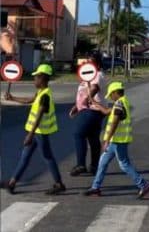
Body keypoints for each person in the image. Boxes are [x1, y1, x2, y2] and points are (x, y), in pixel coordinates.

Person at [2, 64, 66, 195]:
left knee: (47, 157)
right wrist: (13, 98)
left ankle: (59, 184)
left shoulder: (45, 96)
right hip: (37, 132)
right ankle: (12, 183)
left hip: (39, 133)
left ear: (43, 78)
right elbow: (29, 100)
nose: (34, 80)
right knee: (25, 157)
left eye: (36, 77)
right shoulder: (41, 93)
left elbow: (39, 115)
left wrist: (30, 134)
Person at [84, 81, 149, 199]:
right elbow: (106, 111)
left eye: (111, 94)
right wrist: (93, 100)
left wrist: (106, 141)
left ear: (116, 92)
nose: (110, 97)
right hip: (115, 141)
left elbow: (115, 122)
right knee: (103, 162)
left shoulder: (119, 105)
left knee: (124, 164)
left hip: (118, 140)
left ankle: (144, 185)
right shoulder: (121, 102)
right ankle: (96, 188)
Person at [69, 53, 106, 176]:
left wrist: (84, 101)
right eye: (88, 61)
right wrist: (76, 106)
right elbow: (84, 92)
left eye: (92, 61)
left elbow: (94, 88)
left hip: (92, 109)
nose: (89, 63)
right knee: (93, 138)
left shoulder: (98, 75)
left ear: (98, 64)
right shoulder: (87, 77)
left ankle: (81, 164)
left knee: (78, 134)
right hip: (89, 110)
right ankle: (94, 166)